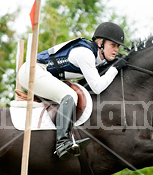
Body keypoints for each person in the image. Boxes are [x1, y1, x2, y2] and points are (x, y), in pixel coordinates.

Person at [17, 22, 129, 160]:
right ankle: (62, 143)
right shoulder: (85, 54)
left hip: (40, 72)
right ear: (100, 43)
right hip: (32, 71)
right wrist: (114, 69)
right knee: (69, 95)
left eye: (117, 46)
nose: (116, 49)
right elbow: (97, 87)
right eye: (113, 45)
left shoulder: (96, 55)